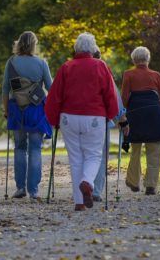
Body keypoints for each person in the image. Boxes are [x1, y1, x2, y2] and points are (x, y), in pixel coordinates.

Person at [45, 32, 119, 211]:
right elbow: (110, 94)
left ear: (76, 48)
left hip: (69, 117)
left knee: (75, 158)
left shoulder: (66, 67)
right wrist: (112, 114)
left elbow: (54, 96)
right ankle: (87, 182)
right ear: (93, 49)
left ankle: (79, 202)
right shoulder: (100, 66)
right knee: (93, 154)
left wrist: (53, 119)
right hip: (94, 116)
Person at [2, 31, 53, 201]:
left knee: (19, 147)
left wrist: (6, 110)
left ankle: (20, 187)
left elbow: (5, 89)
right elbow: (50, 88)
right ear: (33, 45)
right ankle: (34, 190)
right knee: (35, 148)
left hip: (17, 109)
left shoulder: (11, 63)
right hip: (37, 109)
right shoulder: (41, 63)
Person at [121, 46, 160, 195]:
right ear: (148, 59)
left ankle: (133, 182)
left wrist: (129, 109)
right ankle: (151, 185)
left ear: (134, 60)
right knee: (154, 150)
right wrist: (156, 105)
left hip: (135, 114)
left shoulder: (128, 74)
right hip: (154, 114)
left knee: (135, 149)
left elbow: (124, 99)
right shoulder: (156, 75)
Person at [91, 50, 129, 202]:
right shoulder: (103, 70)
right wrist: (122, 119)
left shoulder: (72, 68)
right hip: (102, 119)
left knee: (84, 155)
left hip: (78, 119)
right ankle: (96, 190)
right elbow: (114, 97)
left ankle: (84, 186)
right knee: (101, 156)